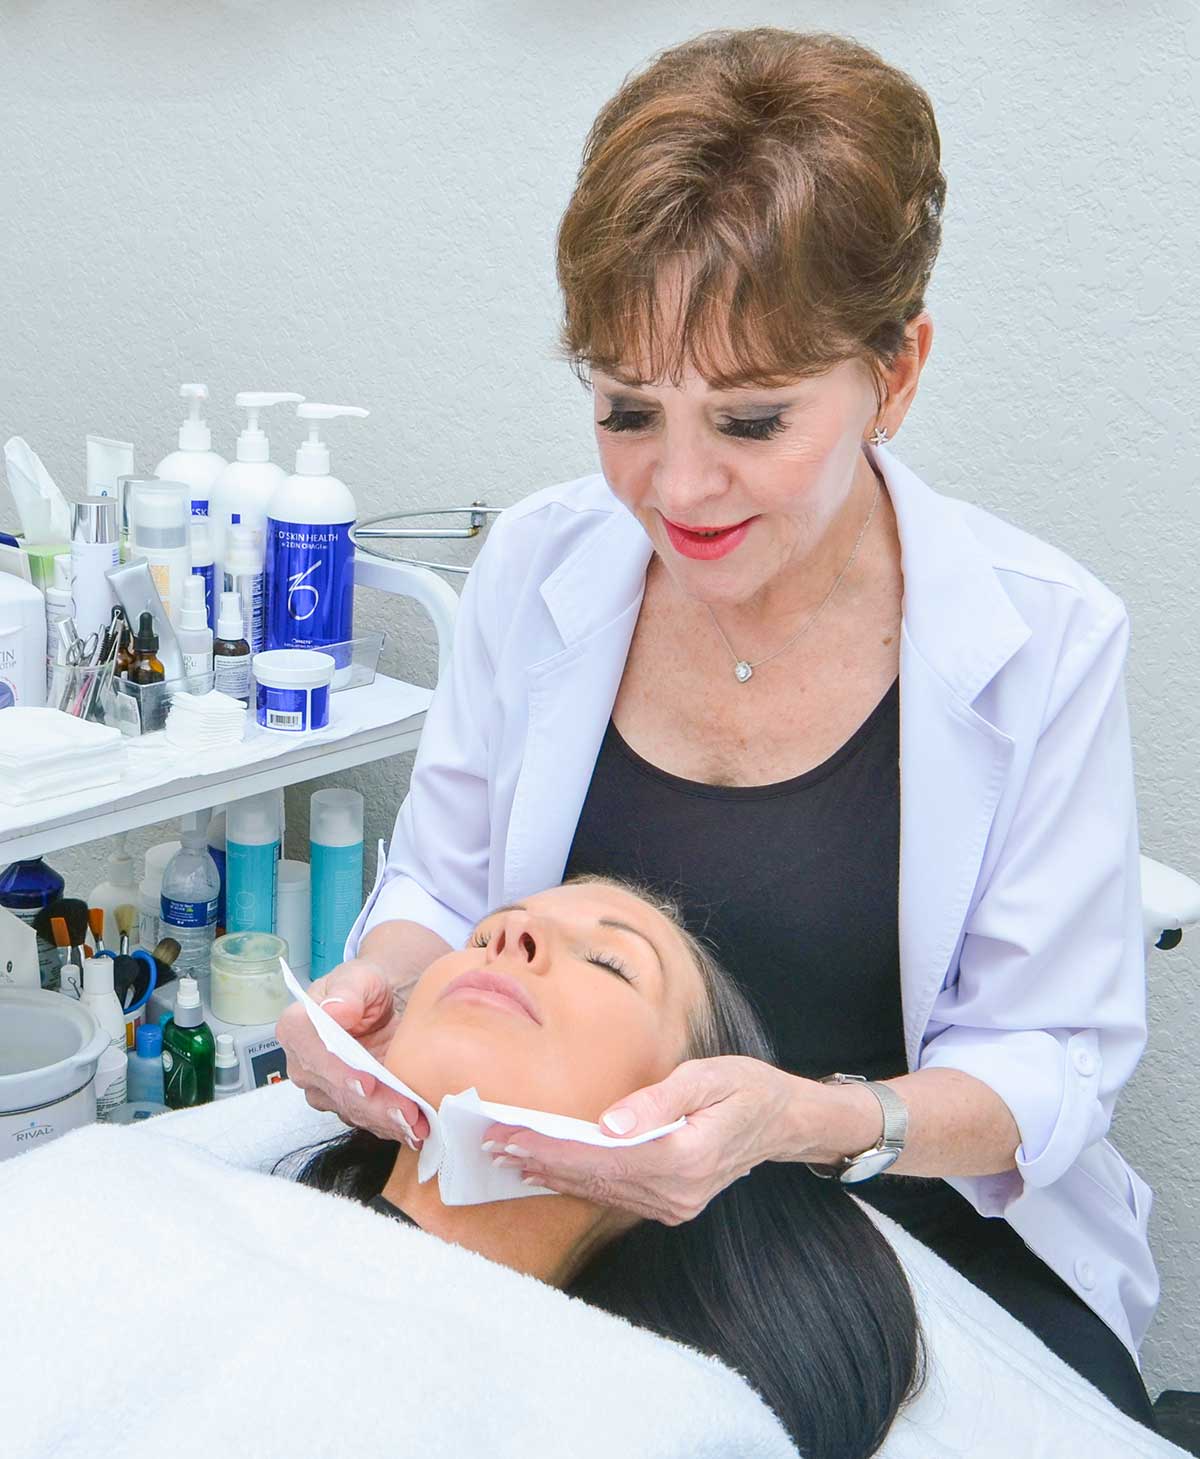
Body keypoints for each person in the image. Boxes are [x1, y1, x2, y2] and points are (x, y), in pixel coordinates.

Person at [278, 27, 1159, 1427]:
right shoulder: (539, 567)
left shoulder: (1042, 638)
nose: (677, 485)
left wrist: (813, 1122)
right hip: (587, 1224)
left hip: (914, 1230)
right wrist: (370, 994)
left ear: (899, 370)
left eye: (752, 421)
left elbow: (1052, 1065)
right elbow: (439, 886)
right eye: (629, 410)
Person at [278, 876, 926, 1459]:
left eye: (610, 964)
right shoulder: (206, 1218)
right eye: (480, 935)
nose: (508, 934)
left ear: (690, 1137)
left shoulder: (602, 1428)